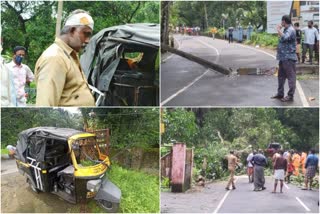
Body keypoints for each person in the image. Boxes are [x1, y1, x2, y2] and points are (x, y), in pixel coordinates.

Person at [34, 9, 95, 106]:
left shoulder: (70, 55)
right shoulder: (55, 58)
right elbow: (45, 106)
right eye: (85, 34)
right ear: (72, 30)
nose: (87, 40)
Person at [271, 15, 297, 102]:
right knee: (281, 76)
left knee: (291, 77)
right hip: (283, 58)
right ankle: (280, 93)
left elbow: (285, 37)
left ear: (284, 21)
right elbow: (284, 40)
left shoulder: (291, 29)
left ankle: (290, 96)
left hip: (289, 58)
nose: (281, 23)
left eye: (281, 21)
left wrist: (278, 30)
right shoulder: (286, 30)